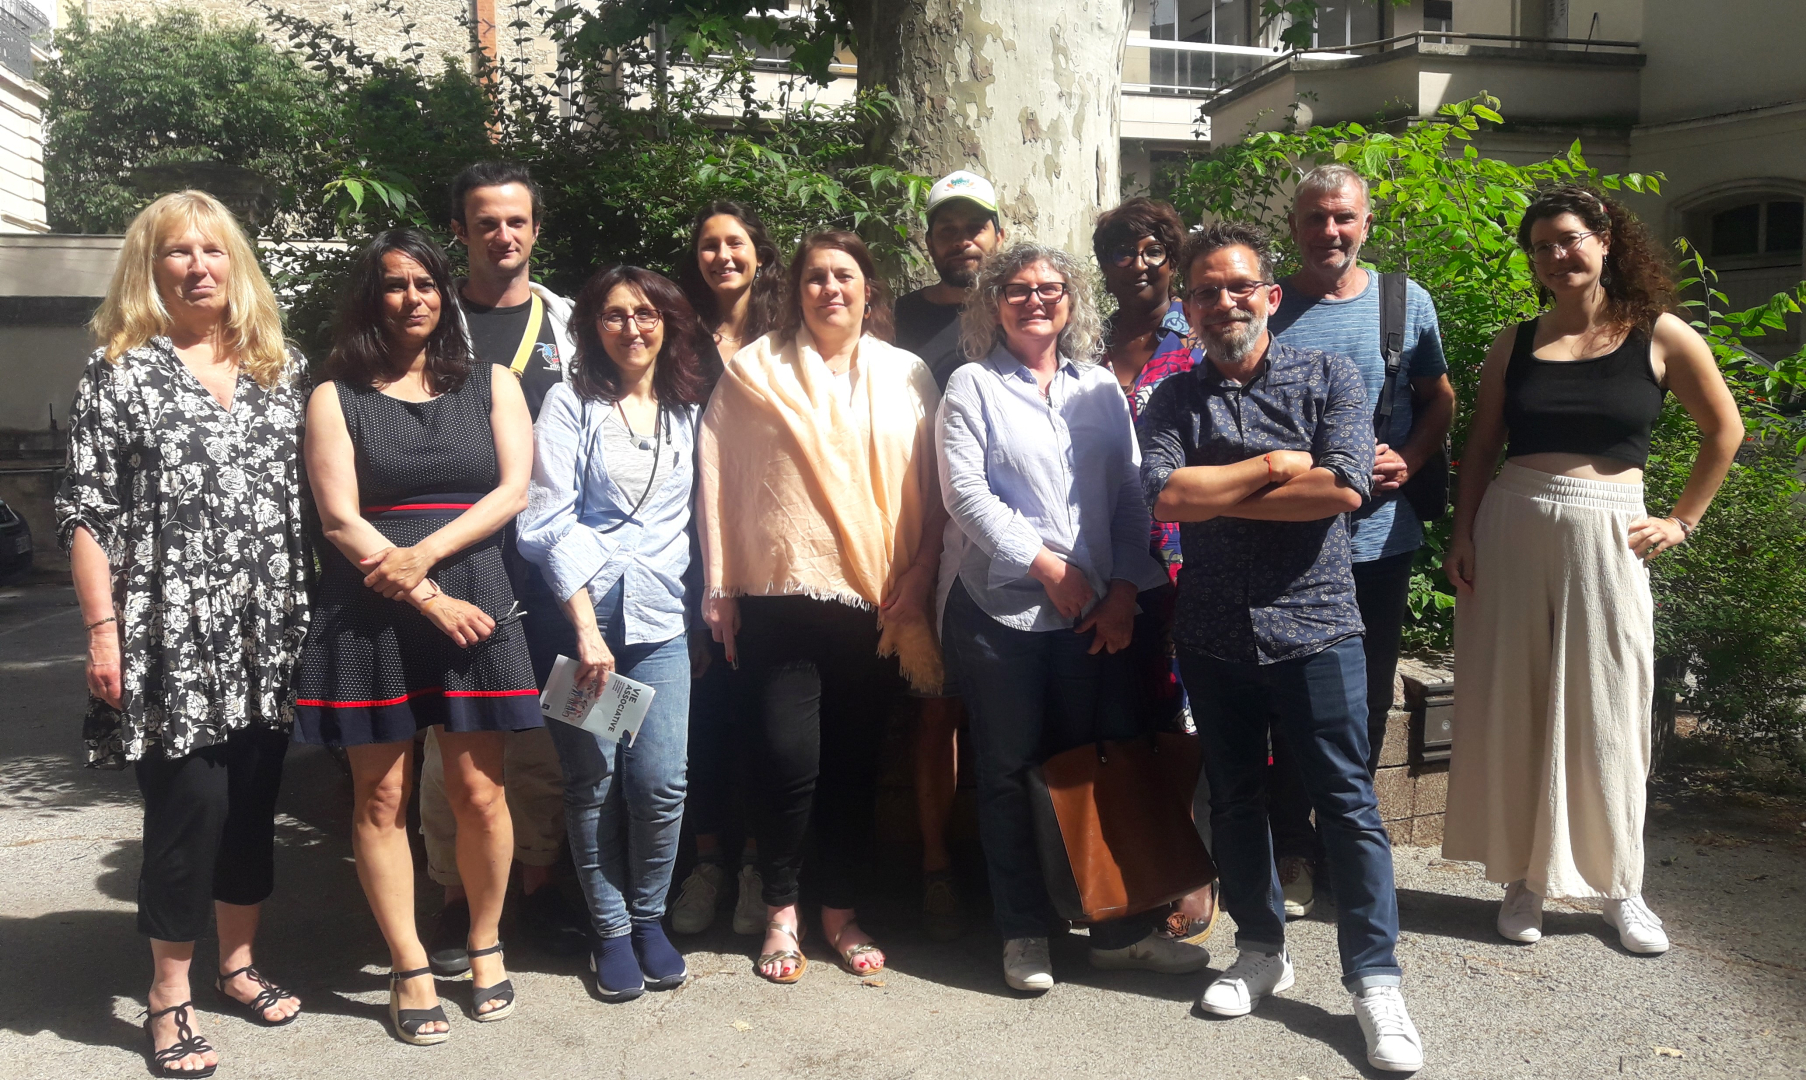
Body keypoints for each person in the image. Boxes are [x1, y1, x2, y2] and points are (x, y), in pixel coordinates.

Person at [1140, 222, 1424, 1073]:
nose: (1223, 301)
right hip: (1216, 636)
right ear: (1187, 308)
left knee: (1346, 806)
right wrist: (1270, 466)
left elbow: (1340, 488)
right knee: (1235, 801)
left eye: (1239, 286)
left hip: (1318, 626)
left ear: (1269, 295)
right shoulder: (1173, 402)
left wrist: (1216, 493)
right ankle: (1260, 949)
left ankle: (1375, 981)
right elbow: (1164, 497)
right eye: (1205, 291)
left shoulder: (1331, 374)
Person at [1441, 184, 1742, 955]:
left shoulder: (1662, 334)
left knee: (1610, 708)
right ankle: (1523, 880)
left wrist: (1681, 520)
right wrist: (1463, 534)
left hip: (1610, 535)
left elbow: (1724, 431)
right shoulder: (1516, 342)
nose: (1557, 255)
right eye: (1541, 246)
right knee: (1518, 704)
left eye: (1570, 238)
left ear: (1606, 240)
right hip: (1512, 527)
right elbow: (1479, 447)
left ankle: (1620, 887)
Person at [58, 189, 308, 1077]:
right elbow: (87, 512)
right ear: (149, 268)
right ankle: (169, 997)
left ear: (235, 263)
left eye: (213, 251)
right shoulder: (119, 371)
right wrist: (101, 630)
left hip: (268, 630)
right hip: (166, 635)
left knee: (250, 810)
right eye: (177, 253)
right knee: (187, 813)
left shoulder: (283, 368)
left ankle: (237, 967)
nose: (198, 266)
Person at [937, 240, 1208, 994]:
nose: (1035, 300)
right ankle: (1025, 931)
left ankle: (1118, 932)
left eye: (1050, 289)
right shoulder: (971, 385)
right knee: (1006, 769)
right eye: (1019, 289)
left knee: (1099, 765)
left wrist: (1122, 589)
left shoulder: (1095, 389)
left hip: (1095, 611)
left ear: (1071, 301)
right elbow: (965, 495)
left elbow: (1128, 493)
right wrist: (1047, 566)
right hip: (1003, 611)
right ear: (995, 302)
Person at [294, 229, 539, 1044]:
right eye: (396, 285)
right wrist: (426, 593)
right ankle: (406, 964)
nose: (413, 298)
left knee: (477, 794)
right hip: (373, 605)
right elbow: (337, 518)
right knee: (383, 796)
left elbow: (513, 491)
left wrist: (429, 556)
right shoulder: (335, 395)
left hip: (475, 588)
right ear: (374, 296)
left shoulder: (494, 384)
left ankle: (484, 944)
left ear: (445, 293)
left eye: (426, 283)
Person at [696, 230, 943, 983]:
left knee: (854, 767)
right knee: (785, 762)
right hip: (778, 600)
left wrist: (923, 571)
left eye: (845, 276)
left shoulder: (909, 376)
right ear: (795, 289)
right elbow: (720, 476)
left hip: (878, 605)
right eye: (814, 278)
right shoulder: (752, 371)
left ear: (870, 289)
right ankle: (780, 909)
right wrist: (720, 584)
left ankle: (838, 910)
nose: (830, 289)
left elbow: (935, 492)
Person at [1264, 164, 1457, 918]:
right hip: (1289, 538)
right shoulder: (1270, 305)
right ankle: (1290, 843)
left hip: (1380, 540)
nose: (1329, 232)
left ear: (1366, 223)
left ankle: (1341, 842)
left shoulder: (1405, 303)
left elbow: (1438, 397)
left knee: (1365, 702)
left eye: (1343, 218)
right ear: (1295, 229)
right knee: (1286, 696)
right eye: (1314, 219)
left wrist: (1409, 456)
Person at [517, 266, 709, 1000]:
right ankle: (611, 931)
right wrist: (587, 629)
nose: (634, 327)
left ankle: (650, 917)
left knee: (660, 782)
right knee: (592, 780)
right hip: (583, 627)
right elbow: (544, 519)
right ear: (592, 326)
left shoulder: (687, 409)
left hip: (659, 623)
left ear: (670, 323)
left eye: (648, 313)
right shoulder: (570, 404)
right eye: (615, 315)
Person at [419, 162, 589, 973]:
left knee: (551, 741)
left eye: (516, 221)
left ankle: (541, 888)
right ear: (461, 232)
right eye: (485, 222)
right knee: (450, 744)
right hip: (455, 559)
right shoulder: (427, 322)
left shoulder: (572, 325)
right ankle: (453, 900)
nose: (503, 235)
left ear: (535, 229)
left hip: (548, 567)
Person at [1092, 196, 1219, 944]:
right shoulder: (1086, 342)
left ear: (1173, 258)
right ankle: (1135, 865)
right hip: (1106, 557)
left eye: (1151, 250)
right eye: (1120, 250)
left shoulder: (1199, 336)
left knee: (1191, 713)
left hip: (1189, 555)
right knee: (1130, 712)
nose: (1136, 263)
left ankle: (1195, 867)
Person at [890, 169, 1007, 941]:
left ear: (997, 234)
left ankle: (1003, 867)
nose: (960, 238)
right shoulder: (897, 319)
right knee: (933, 715)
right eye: (946, 226)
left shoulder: (1018, 305)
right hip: (921, 531)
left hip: (1009, 541)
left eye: (975, 225)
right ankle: (935, 864)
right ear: (927, 238)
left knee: (1000, 717)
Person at [668, 201, 785, 938]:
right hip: (683, 546)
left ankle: (755, 865)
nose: (721, 256)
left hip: (766, 541)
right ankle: (709, 860)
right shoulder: (675, 332)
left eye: (734, 243)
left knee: (764, 714)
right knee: (703, 712)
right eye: (708, 245)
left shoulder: (789, 334)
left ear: (759, 253)